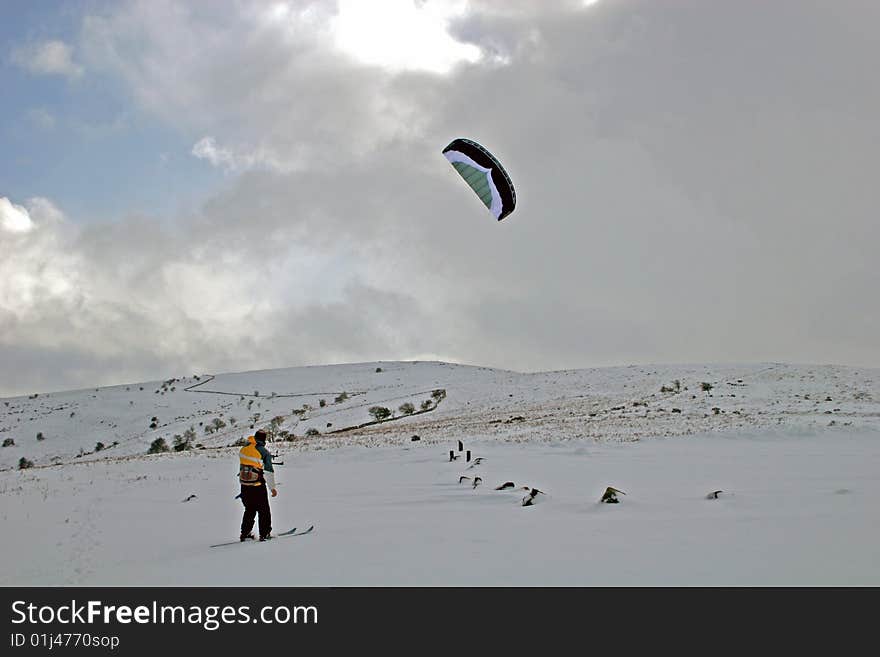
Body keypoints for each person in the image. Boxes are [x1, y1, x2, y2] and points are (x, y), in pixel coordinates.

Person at [238, 428, 277, 541]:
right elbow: (268, 471)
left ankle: (245, 533)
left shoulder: (243, 449)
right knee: (263, 510)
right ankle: (264, 534)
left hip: (244, 485)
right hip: (257, 486)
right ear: (264, 439)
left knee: (249, 509)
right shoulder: (264, 452)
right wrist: (272, 488)